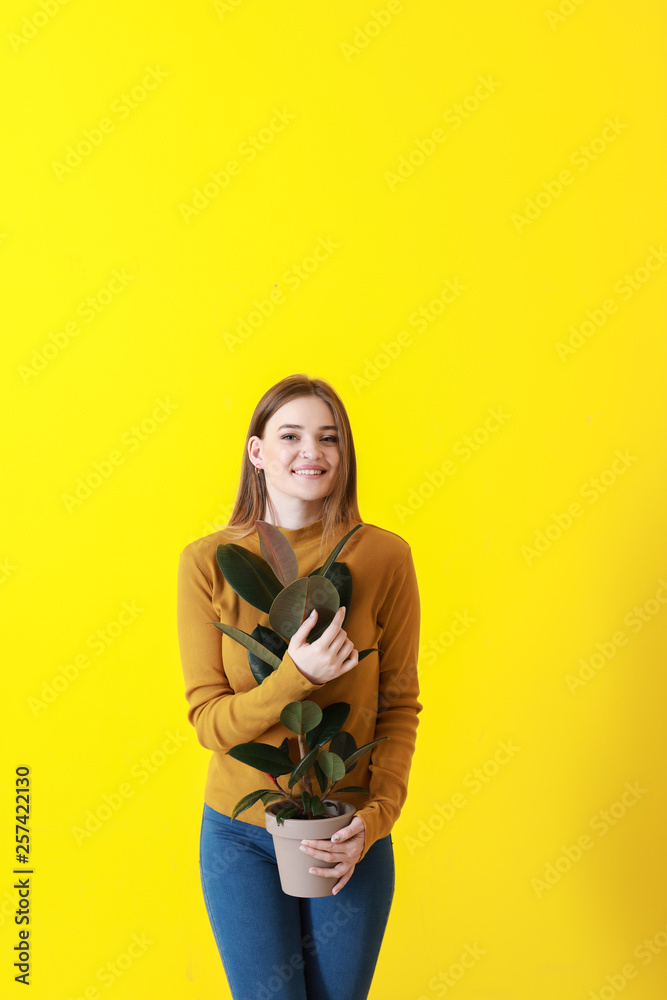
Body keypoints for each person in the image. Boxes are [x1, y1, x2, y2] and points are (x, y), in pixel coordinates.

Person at [176, 373, 422, 1000]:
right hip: (242, 836)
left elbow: (398, 709)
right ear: (257, 452)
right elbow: (210, 723)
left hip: (346, 834)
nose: (311, 452)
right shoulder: (209, 562)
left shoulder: (383, 558)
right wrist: (295, 678)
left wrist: (374, 821)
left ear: (344, 457)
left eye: (328, 438)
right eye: (291, 435)